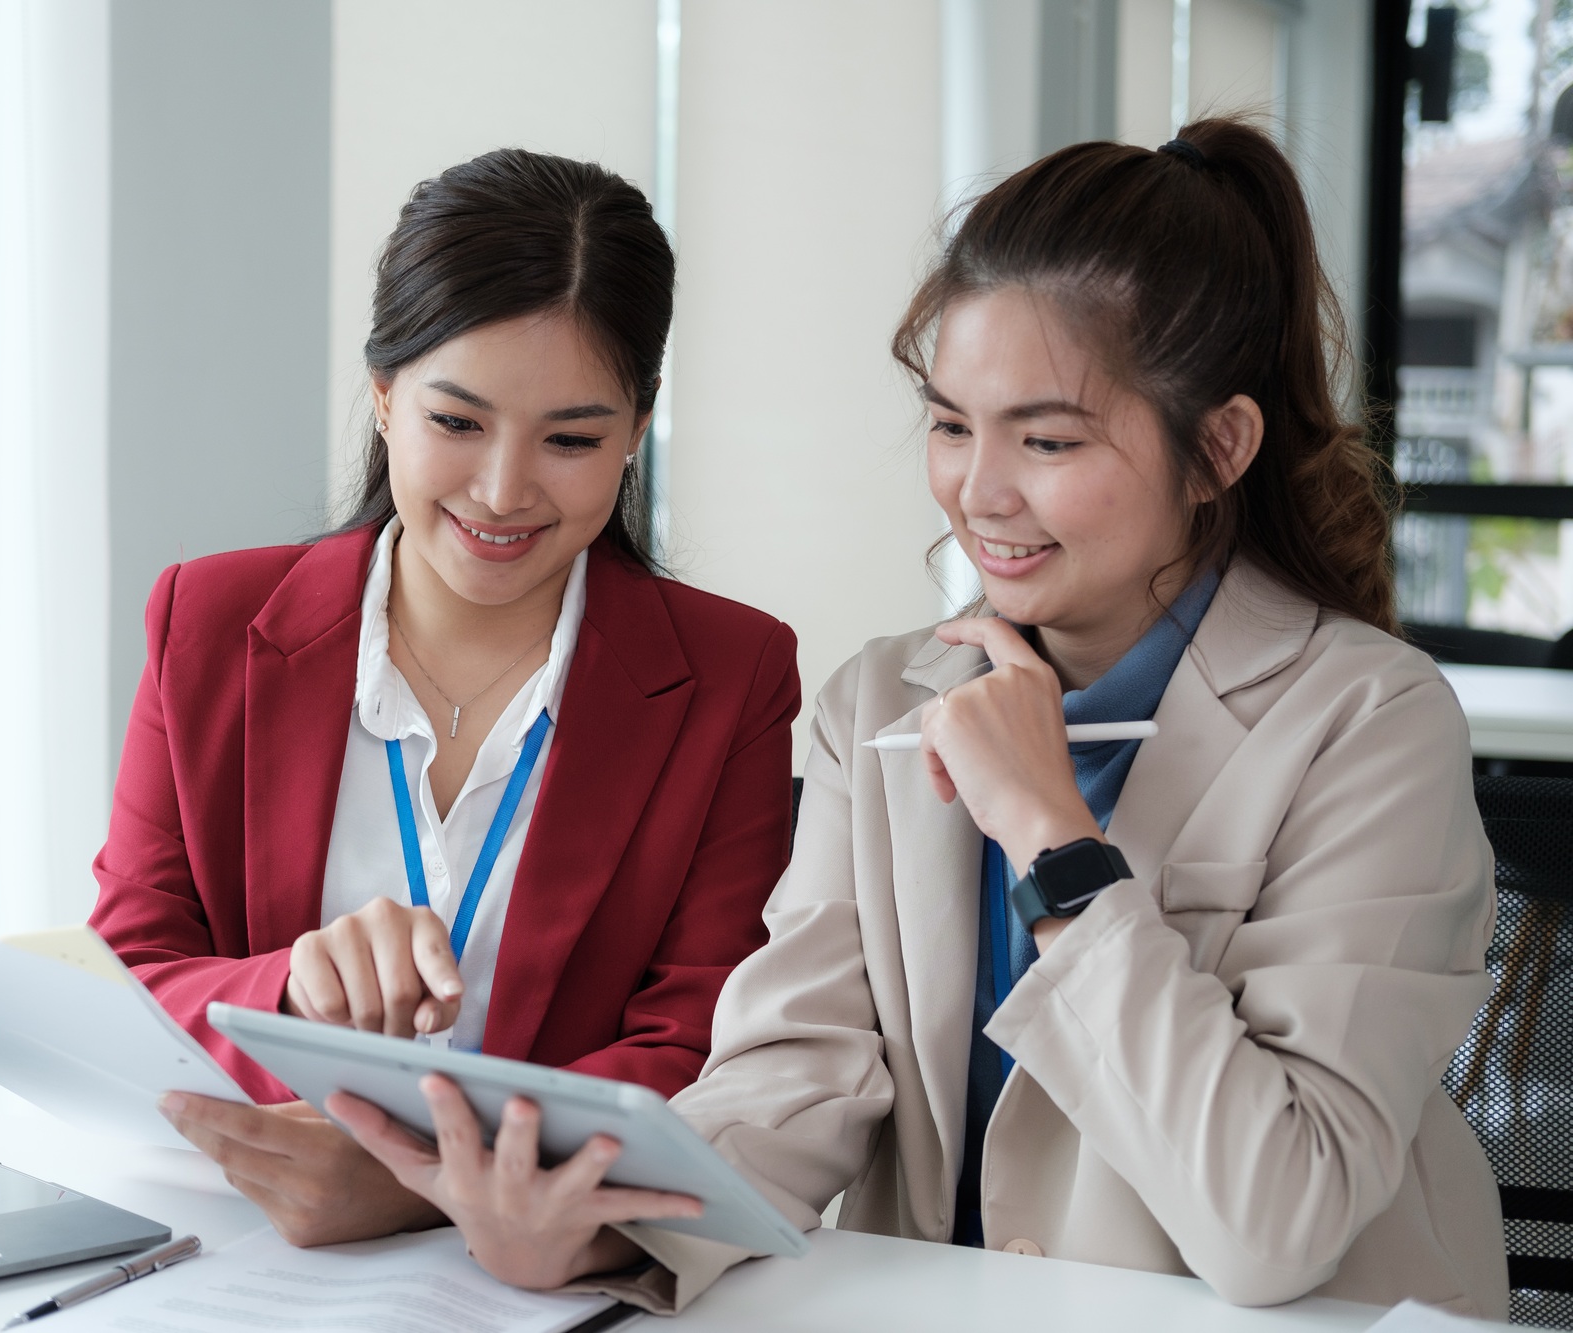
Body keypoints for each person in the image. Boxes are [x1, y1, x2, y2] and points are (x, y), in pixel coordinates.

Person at [333, 119, 1508, 1318]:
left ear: (1217, 448)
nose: (978, 492)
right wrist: (605, 1225)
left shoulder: (1369, 723)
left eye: (1045, 439)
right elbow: (794, 1076)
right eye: (950, 425)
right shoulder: (879, 701)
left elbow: (1276, 1218)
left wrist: (1056, 842)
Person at [87, 147, 801, 1250]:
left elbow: (698, 1033)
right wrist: (288, 985)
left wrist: (423, 1180)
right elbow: (124, 975)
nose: (503, 492)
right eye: (456, 422)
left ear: (635, 432)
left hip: (532, 1268)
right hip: (227, 1249)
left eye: (571, 438)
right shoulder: (209, 620)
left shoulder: (731, 674)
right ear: (382, 396)